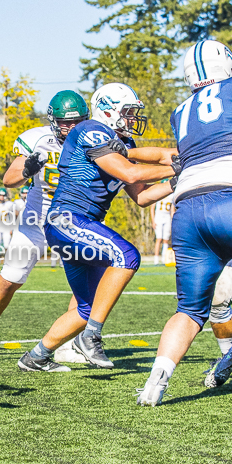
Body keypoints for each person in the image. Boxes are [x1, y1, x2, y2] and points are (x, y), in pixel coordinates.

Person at [19, 83, 178, 373]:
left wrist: (178, 175)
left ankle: (35, 356)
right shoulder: (90, 129)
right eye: (128, 112)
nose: (132, 118)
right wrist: (177, 168)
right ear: (107, 111)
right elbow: (130, 171)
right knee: (127, 256)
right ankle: (90, 337)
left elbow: (143, 195)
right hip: (67, 219)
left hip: (78, 225)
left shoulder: (121, 145)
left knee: (86, 308)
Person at [0, 91, 91, 364]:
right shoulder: (37, 139)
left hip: (75, 220)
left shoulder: (92, 139)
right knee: (10, 279)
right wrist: (28, 169)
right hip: (36, 220)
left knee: (86, 285)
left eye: (77, 121)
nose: (71, 128)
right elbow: (9, 180)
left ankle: (67, 345)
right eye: (65, 122)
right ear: (53, 120)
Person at [138, 40, 232, 405]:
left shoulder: (180, 111)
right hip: (228, 195)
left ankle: (156, 381)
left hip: (188, 210)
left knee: (190, 310)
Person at [150, 185, 174, 265]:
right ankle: (156, 259)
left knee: (166, 239)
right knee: (159, 238)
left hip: (167, 217)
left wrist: (173, 221)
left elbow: (172, 210)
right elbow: (152, 208)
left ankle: (164, 258)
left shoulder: (172, 195)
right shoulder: (158, 194)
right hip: (159, 216)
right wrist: (153, 221)